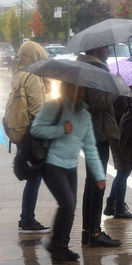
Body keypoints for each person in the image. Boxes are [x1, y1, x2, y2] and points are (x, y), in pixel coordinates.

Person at [31, 82, 106, 262]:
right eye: (75, 88)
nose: (80, 91)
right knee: (67, 203)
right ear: (66, 89)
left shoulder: (85, 116)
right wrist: (60, 129)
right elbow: (36, 128)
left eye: (82, 88)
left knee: (71, 208)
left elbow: (90, 148)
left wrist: (100, 175)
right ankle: (55, 244)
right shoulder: (53, 107)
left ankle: (61, 247)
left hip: (71, 167)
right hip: (52, 164)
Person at [77, 47, 121, 247]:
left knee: (92, 182)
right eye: (105, 47)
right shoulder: (93, 70)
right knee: (97, 183)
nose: (109, 50)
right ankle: (94, 233)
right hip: (97, 132)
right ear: (96, 49)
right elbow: (98, 102)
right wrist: (115, 88)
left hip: (92, 131)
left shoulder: (86, 67)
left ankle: (89, 231)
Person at [6, 41, 51, 233]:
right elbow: (38, 109)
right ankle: (27, 220)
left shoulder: (18, 75)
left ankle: (26, 218)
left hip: (22, 132)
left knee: (33, 175)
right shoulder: (32, 77)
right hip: (34, 134)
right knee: (35, 177)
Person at [103, 96, 132, 219]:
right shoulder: (120, 97)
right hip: (121, 137)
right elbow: (123, 116)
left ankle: (112, 204)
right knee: (123, 172)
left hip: (120, 135)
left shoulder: (120, 93)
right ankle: (119, 209)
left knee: (123, 172)